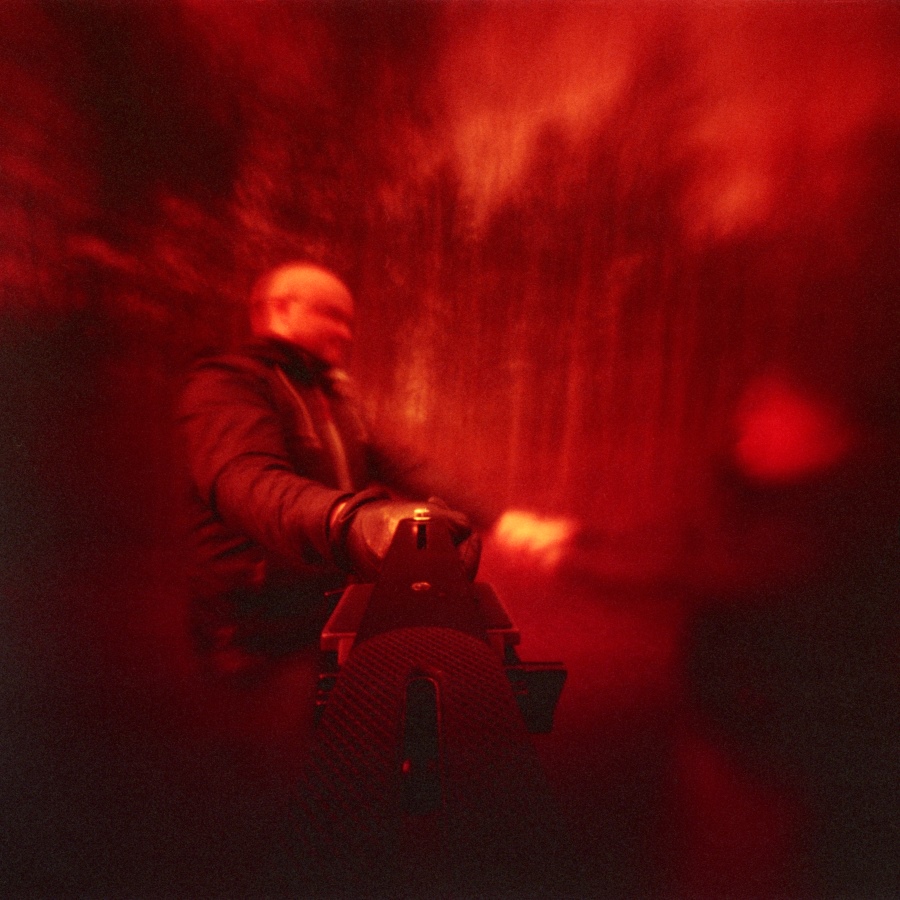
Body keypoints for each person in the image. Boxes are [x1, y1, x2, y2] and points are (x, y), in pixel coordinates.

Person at [178, 262, 481, 679]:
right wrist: (351, 522)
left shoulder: (336, 396)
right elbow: (246, 480)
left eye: (348, 321)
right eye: (332, 315)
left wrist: (497, 517)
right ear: (281, 310)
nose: (346, 333)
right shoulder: (228, 383)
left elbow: (402, 463)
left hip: (326, 611)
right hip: (252, 627)